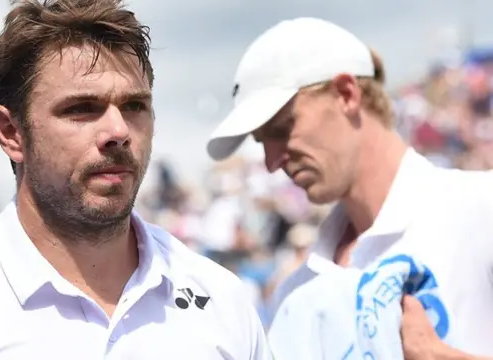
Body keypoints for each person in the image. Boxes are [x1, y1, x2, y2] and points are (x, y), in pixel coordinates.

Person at [0, 1, 271, 359]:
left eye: (134, 105)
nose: (118, 130)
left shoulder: (222, 302)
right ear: (11, 133)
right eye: (82, 108)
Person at [205, 17, 493, 359]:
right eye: (262, 141)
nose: (272, 161)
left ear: (346, 94)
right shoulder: (295, 297)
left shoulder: (479, 208)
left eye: (282, 129)